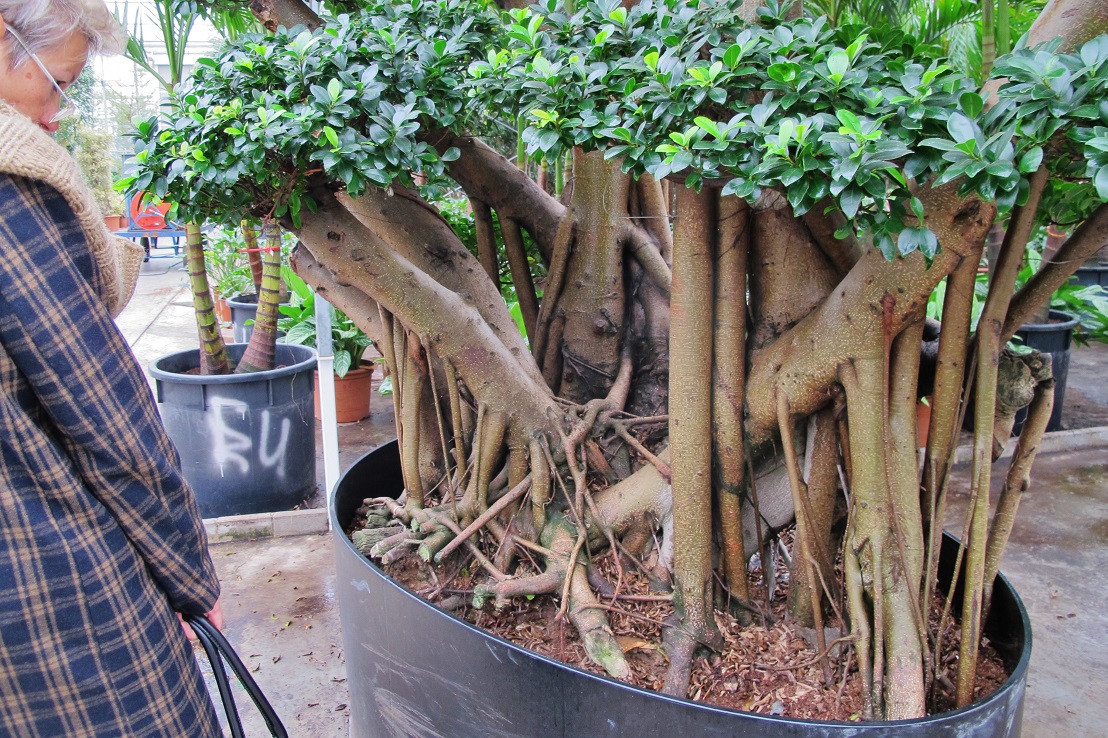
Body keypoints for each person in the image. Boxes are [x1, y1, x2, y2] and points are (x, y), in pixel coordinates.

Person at [0, 1, 223, 735]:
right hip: (52, 589)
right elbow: (107, 415)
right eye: (59, 84)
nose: (59, 114)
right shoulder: (14, 187)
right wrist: (191, 578)